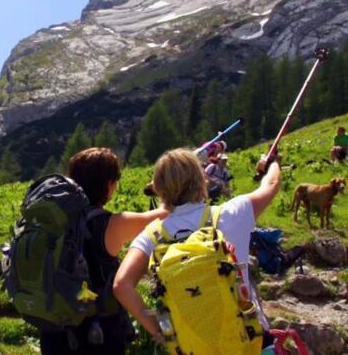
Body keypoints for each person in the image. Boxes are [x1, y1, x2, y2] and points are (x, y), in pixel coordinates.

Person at [113, 148, 281, 347]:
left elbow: (121, 285)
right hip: (249, 340)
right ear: (202, 179)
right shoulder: (231, 213)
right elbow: (271, 183)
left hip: (193, 346)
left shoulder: (152, 236)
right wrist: (271, 164)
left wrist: (161, 332)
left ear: (159, 189)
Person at [39, 147, 170, 354]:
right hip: (97, 334)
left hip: (54, 330)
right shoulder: (110, 224)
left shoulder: (53, 221)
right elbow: (163, 216)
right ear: (109, 185)